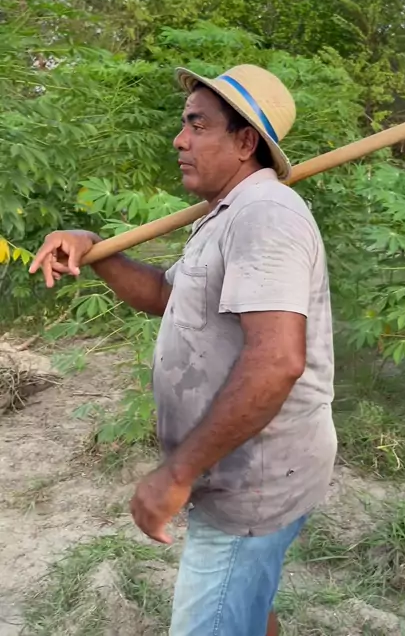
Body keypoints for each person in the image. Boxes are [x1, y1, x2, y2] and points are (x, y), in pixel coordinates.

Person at [29, 63, 337, 636]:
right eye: (184, 123)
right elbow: (166, 295)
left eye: (198, 125)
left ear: (245, 143)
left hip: (253, 481)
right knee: (246, 601)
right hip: (236, 471)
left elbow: (277, 361)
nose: (179, 139)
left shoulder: (265, 216)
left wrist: (177, 471)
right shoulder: (226, 214)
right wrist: (95, 248)